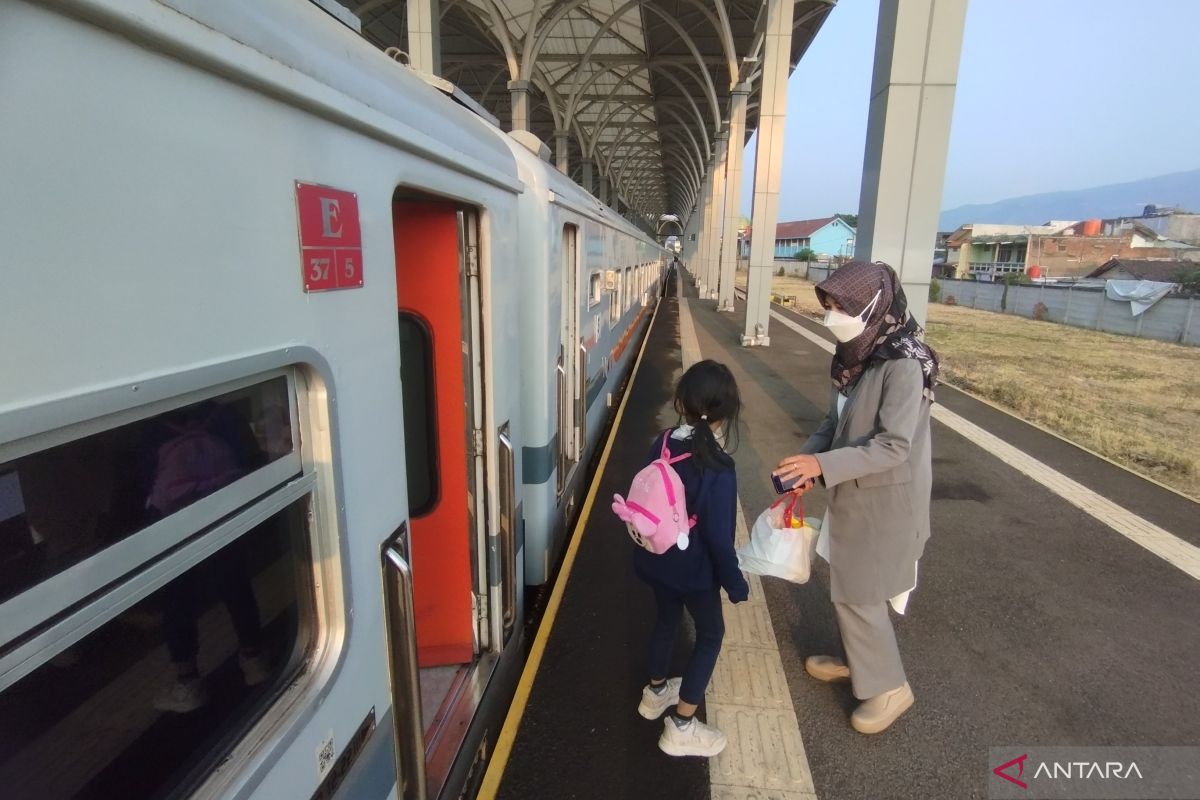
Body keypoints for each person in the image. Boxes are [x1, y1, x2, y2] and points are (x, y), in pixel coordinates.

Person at [773, 260, 938, 735]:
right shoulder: (854, 358)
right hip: (857, 495)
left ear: (872, 305)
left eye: (839, 307)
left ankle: (890, 690)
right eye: (826, 307)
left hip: (886, 504)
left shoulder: (904, 365)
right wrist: (802, 465)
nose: (830, 317)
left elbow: (894, 446)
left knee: (861, 595)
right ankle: (861, 662)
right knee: (849, 587)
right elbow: (833, 425)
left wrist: (822, 467)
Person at [633, 360, 749, 757]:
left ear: (681, 401)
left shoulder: (663, 441)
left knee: (665, 620)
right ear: (725, 413)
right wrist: (735, 583)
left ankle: (655, 693)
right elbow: (718, 537)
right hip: (694, 572)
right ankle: (682, 725)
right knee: (711, 635)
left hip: (656, 558)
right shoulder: (718, 466)